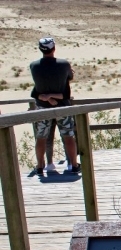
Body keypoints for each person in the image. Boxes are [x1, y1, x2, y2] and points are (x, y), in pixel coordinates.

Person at [29, 36, 79, 176]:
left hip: (42, 107)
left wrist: (47, 97)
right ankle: (73, 165)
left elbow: (37, 89)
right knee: (68, 136)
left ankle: (40, 166)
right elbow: (68, 79)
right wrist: (54, 95)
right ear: (54, 48)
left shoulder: (34, 66)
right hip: (62, 106)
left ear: (40, 49)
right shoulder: (63, 64)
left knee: (41, 137)